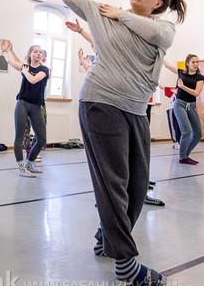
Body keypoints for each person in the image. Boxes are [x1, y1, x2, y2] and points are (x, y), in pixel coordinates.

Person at [39, 0, 186, 286]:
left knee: (137, 186)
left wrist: (122, 15)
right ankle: (125, 262)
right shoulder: (102, 12)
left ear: (160, 3)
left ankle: (107, 237)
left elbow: (158, 34)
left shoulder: (161, 29)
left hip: (136, 110)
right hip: (101, 104)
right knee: (113, 184)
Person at [67, 18, 166, 207]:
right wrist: (80, 31)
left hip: (140, 106)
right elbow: (97, 42)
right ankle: (112, 197)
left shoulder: (143, 43)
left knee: (136, 155)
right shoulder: (108, 58)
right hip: (120, 105)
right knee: (119, 156)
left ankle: (138, 191)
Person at [0, 40, 50, 177]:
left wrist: (25, 71)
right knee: (19, 136)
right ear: (30, 54)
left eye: (40, 52)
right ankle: (22, 167)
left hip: (36, 106)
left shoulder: (44, 70)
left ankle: (29, 163)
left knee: (42, 139)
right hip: (22, 104)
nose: (39, 53)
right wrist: (5, 51)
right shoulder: (25, 67)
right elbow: (11, 62)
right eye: (35, 51)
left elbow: (33, 80)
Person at [163, 55, 204, 164]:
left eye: (197, 62)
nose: (196, 64)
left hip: (191, 105)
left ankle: (185, 154)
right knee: (186, 131)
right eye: (193, 62)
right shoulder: (181, 72)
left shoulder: (200, 77)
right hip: (179, 104)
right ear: (187, 63)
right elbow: (167, 65)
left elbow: (196, 93)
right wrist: (159, 51)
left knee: (198, 133)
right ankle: (182, 157)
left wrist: (183, 87)